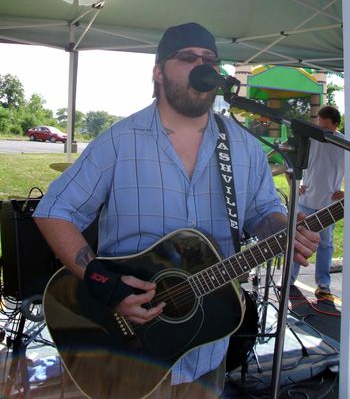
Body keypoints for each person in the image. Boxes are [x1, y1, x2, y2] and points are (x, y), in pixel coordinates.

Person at [33, 22, 319, 399]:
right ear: (158, 71)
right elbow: (53, 210)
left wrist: (282, 227)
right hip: (127, 344)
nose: (202, 67)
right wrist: (103, 282)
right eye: (188, 58)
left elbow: (263, 210)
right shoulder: (120, 141)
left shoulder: (246, 148)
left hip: (205, 344)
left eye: (210, 60)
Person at [290, 105, 344, 300]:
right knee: (297, 240)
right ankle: (289, 280)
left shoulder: (345, 143)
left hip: (329, 204)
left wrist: (345, 193)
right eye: (319, 127)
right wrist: (294, 182)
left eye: (326, 129)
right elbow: (292, 161)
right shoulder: (311, 138)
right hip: (306, 200)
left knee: (325, 245)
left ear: (336, 126)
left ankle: (323, 285)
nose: (322, 132)